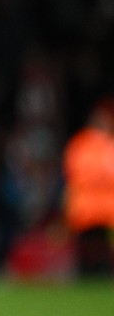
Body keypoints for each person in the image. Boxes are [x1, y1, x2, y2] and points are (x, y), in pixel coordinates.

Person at [61, 98, 114, 276]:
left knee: (95, 253)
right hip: (96, 210)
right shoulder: (87, 144)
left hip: (95, 210)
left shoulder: (84, 144)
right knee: (94, 253)